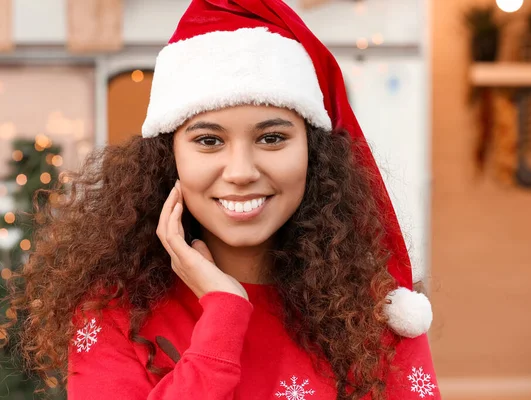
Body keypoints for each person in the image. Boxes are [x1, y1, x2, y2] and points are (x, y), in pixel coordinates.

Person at [6, 0, 440, 399]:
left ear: (315, 154)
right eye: (209, 140)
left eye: (272, 138)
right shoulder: (114, 314)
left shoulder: (371, 312)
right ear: (168, 158)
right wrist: (224, 313)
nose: (241, 171)